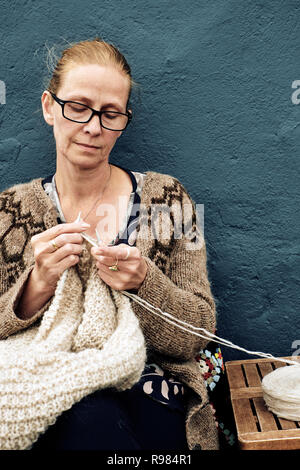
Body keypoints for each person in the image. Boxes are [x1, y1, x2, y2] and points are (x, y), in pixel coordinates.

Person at [0, 38, 224, 451]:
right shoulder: (10, 212)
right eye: (79, 107)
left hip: (154, 386)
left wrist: (144, 283)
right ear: (50, 107)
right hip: (52, 384)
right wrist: (36, 286)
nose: (93, 127)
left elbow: (199, 333)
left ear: (125, 119)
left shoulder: (168, 200)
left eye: (110, 114)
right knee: (90, 419)